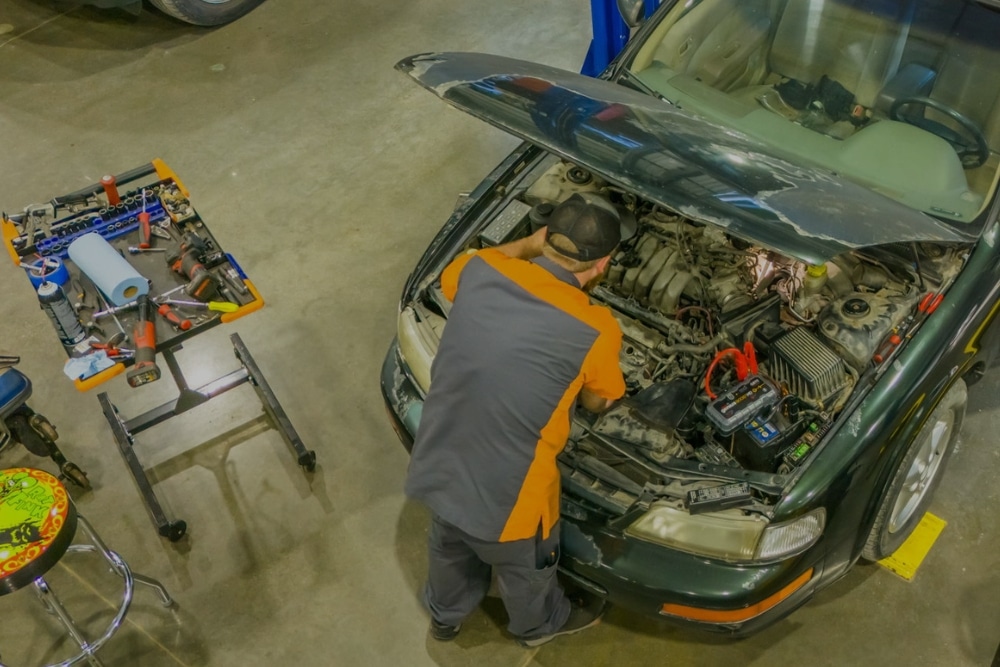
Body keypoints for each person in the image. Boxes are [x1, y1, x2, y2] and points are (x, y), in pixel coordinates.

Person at [404, 193, 628, 647]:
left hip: (441, 457)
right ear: (602, 265)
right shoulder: (597, 329)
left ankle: (444, 618)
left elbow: (471, 262)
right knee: (526, 569)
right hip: (512, 496)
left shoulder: (478, 271)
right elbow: (599, 402)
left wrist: (529, 245)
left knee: (448, 545)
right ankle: (538, 626)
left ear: (545, 236)